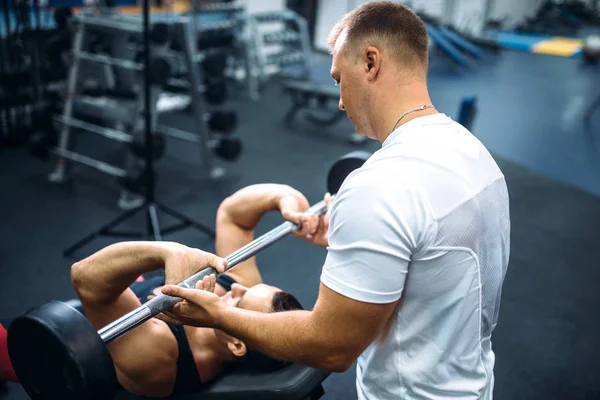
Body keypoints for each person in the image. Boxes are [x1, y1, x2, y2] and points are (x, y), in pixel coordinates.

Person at [155, 2, 511, 400]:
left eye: (340, 78)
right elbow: (441, 256)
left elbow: (332, 345)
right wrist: (360, 241)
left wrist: (219, 315)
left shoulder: (379, 185)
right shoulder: (472, 151)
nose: (340, 101)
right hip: (473, 384)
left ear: (371, 62)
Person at [1, 184, 309, 398]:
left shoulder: (160, 359)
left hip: (55, 344)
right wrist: (286, 198)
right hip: (125, 292)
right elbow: (234, 215)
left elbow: (86, 279)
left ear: (236, 345)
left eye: (239, 298)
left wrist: (169, 253)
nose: (237, 286)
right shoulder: (238, 293)